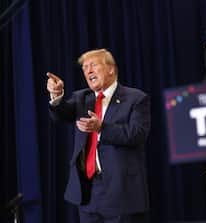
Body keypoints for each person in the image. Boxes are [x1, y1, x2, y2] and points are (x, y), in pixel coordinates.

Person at [47, 49, 151, 223]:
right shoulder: (82, 98)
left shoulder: (135, 98)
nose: (88, 71)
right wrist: (56, 96)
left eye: (93, 65)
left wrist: (102, 128)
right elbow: (61, 114)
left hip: (121, 192)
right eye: (85, 67)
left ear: (111, 69)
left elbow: (137, 134)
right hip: (88, 192)